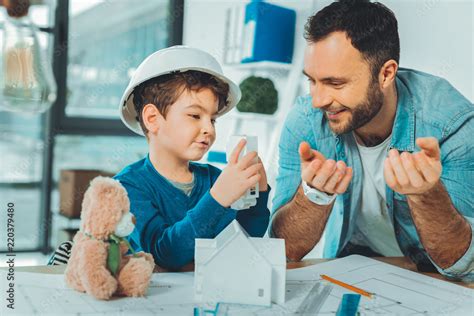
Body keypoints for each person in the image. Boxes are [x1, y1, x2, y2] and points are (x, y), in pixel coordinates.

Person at [270, 0, 473, 281]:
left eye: (335, 83)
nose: (318, 100)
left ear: (386, 74)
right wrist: (313, 195)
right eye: (312, 81)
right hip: (352, 261)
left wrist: (426, 195)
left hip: (426, 272)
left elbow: (462, 264)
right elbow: (283, 250)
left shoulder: (452, 124)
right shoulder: (306, 120)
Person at [114, 46, 270, 270]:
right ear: (152, 119)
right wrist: (217, 199)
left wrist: (259, 194)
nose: (208, 128)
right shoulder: (128, 187)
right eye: (195, 116)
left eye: (213, 119)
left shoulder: (216, 179)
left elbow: (246, 237)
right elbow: (164, 254)